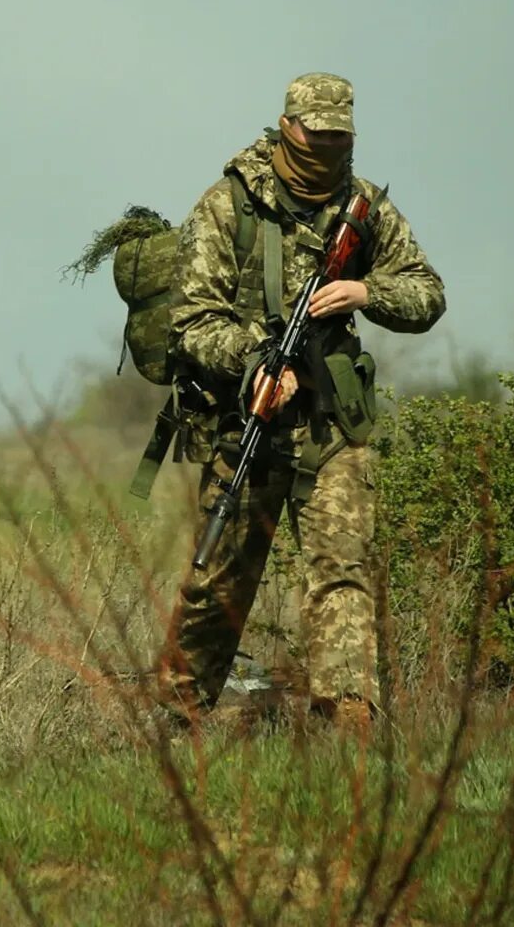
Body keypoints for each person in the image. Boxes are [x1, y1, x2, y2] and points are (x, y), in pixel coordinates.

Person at [158, 73, 445, 730]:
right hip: (247, 420)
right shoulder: (229, 205)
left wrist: (365, 293)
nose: (325, 148)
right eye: (315, 134)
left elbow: (425, 290)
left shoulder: (363, 204)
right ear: (287, 127)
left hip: (330, 425)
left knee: (342, 573)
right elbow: (192, 320)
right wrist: (254, 361)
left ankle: (349, 718)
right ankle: (177, 718)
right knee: (218, 576)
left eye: (338, 137)